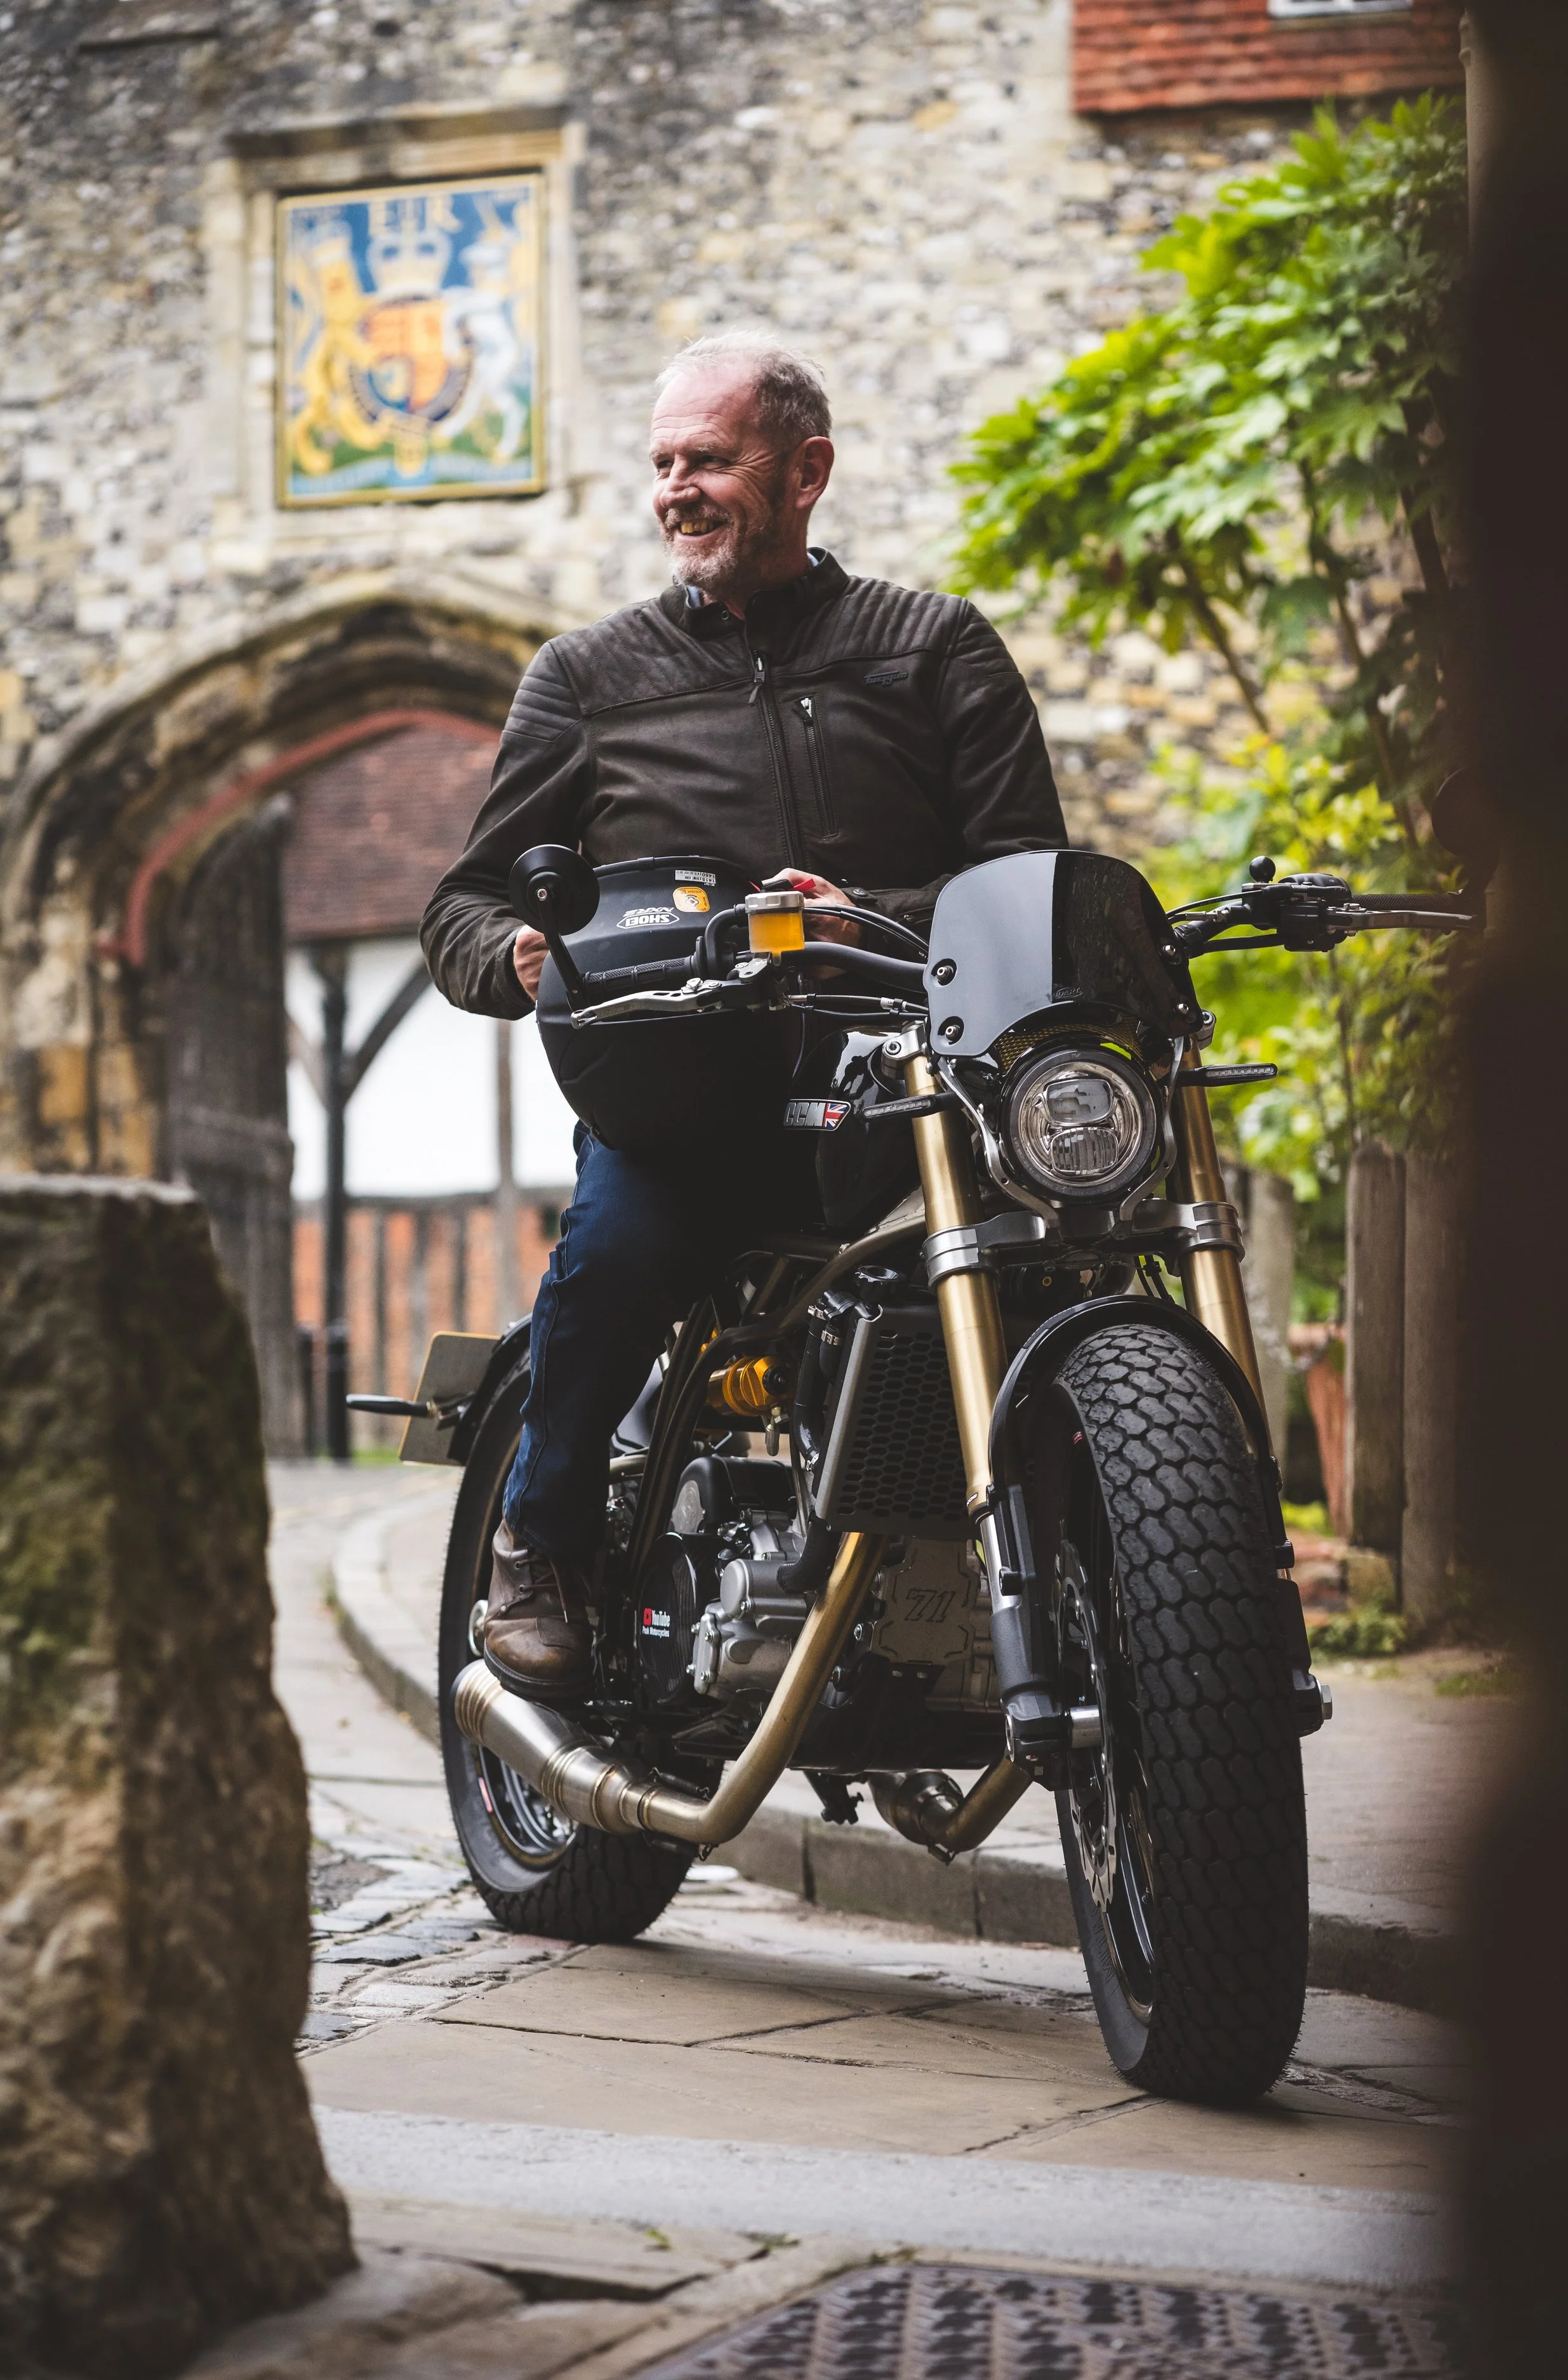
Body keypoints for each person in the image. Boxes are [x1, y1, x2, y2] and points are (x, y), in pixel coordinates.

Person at [422, 331, 1066, 1697]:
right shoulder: (587, 679)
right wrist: (520, 953)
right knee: (613, 1249)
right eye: (662, 464)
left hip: (910, 1092)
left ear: (805, 471)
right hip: (686, 1100)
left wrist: (860, 915)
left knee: (1066, 1255)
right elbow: (459, 910)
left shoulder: (932, 645)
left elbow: (1025, 880)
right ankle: (539, 1544)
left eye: (708, 459)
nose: (677, 490)